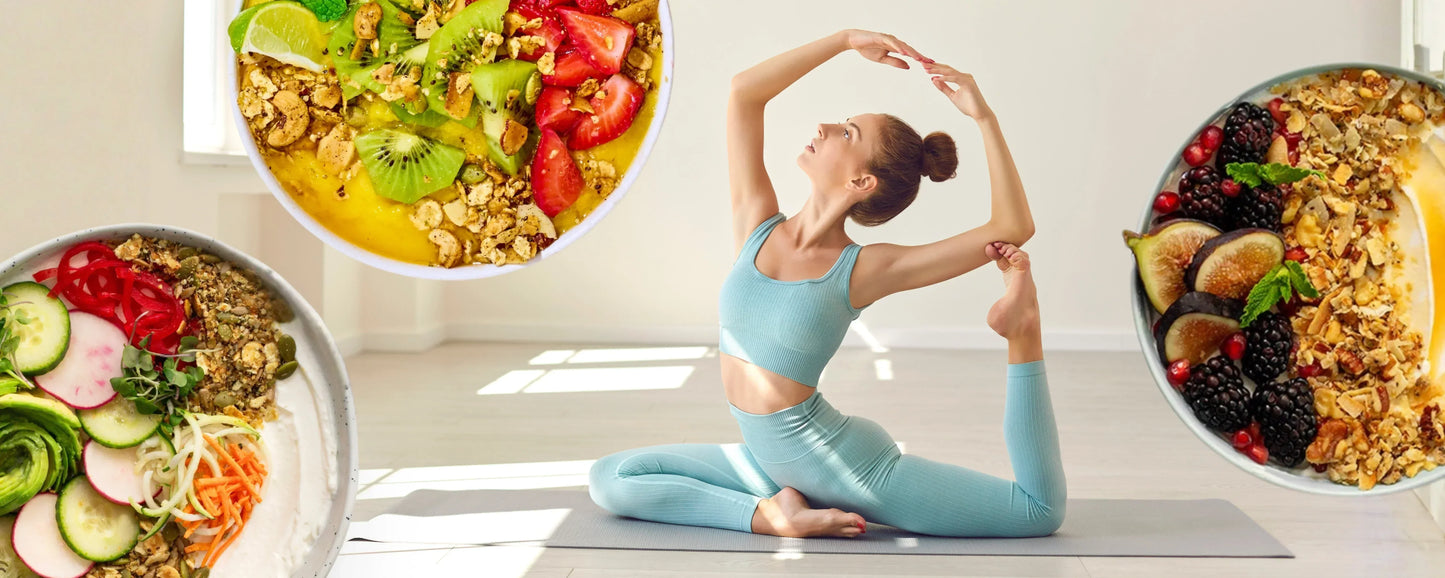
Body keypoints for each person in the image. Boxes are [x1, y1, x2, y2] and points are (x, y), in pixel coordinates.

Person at [589, 29, 1065, 538]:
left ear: (861, 183)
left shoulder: (862, 270)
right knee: (611, 478)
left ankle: (1023, 329)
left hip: (843, 467)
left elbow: (1012, 226)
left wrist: (983, 117)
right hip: (769, 461)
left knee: (1038, 512)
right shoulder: (757, 225)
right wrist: (843, 41)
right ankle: (774, 513)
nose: (825, 127)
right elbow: (744, 93)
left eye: (847, 133)